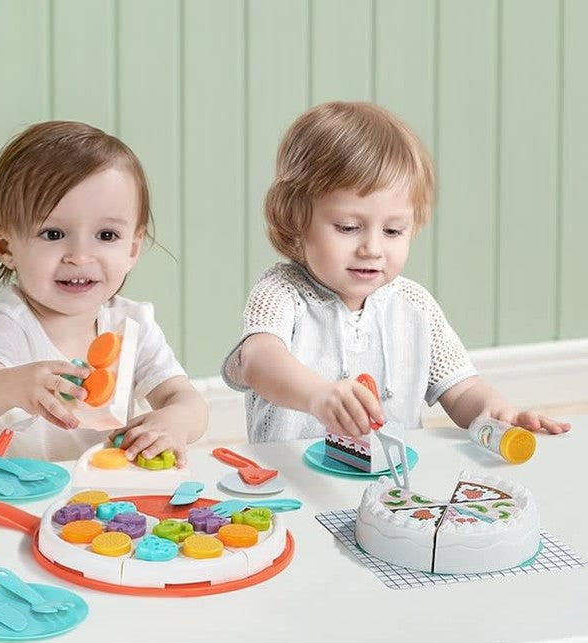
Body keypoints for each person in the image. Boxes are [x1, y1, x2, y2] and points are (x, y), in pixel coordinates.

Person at [222, 101, 570, 443]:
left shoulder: (415, 305)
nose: (372, 248)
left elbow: (463, 391)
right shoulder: (281, 293)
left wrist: (496, 413)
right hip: (290, 477)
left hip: (392, 477)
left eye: (392, 231)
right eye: (348, 227)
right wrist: (317, 396)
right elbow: (258, 361)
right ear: (295, 218)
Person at [0, 121, 207, 465]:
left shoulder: (131, 324)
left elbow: (186, 399)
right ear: (6, 246)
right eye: (53, 234)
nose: (80, 256)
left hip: (88, 491)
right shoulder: (8, 322)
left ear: (133, 247)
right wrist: (16, 385)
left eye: (107, 235)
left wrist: (175, 421)